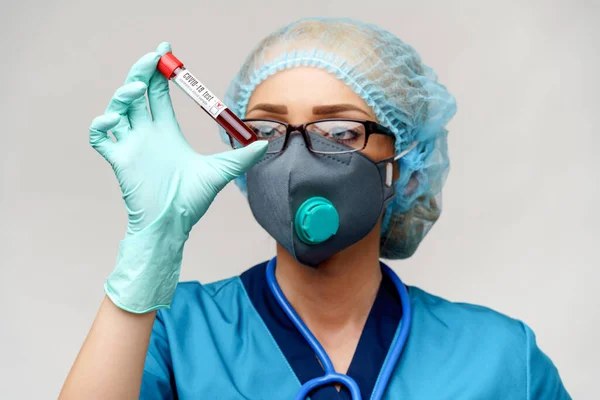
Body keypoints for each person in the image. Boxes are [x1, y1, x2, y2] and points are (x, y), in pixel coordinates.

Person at [59, 18, 570, 399]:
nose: (298, 159)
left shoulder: (500, 358)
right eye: (265, 130)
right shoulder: (171, 332)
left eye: (339, 131)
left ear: (405, 164)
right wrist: (149, 246)